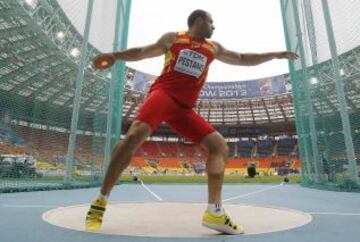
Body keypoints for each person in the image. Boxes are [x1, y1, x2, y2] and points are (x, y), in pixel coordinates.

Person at [85, 9, 299, 235]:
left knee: (219, 147)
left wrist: (275, 54)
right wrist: (116, 55)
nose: (214, 26)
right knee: (135, 135)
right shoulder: (173, 38)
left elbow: (243, 58)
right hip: (163, 95)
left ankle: (215, 212)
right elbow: (142, 52)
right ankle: (99, 203)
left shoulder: (213, 47)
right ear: (199, 20)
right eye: (211, 21)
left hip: (184, 109)